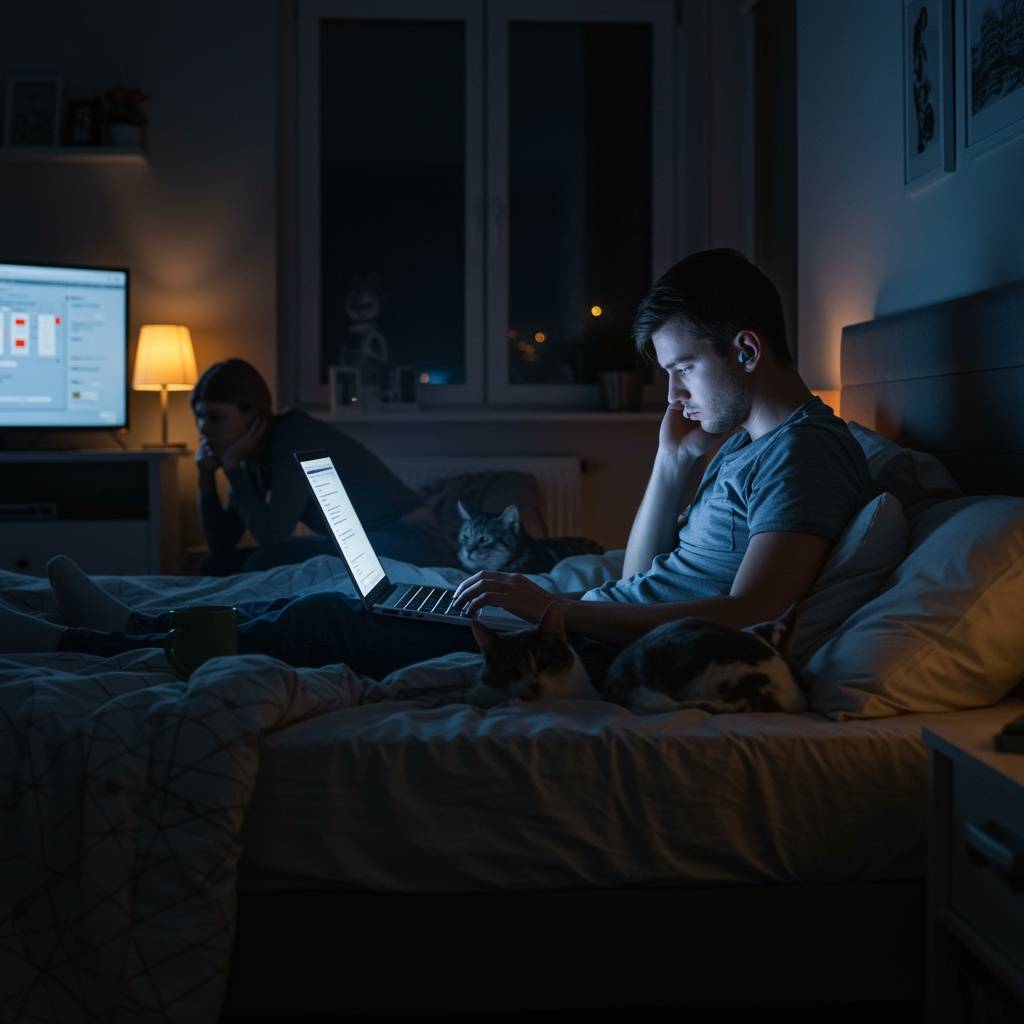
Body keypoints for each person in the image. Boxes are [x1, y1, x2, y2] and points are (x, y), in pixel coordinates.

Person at [4, 250, 870, 685]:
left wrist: (552, 610)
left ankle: (94, 647)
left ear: (745, 349)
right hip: (591, 621)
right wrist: (669, 468)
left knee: (335, 621)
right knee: (342, 593)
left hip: (583, 650)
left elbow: (750, 616)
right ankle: (133, 628)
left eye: (681, 368)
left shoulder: (807, 452)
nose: (673, 392)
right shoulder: (745, 449)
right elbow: (642, 577)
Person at [188, 358, 448, 572]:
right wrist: (206, 476)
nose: (203, 428)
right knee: (215, 564)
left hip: (410, 537)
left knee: (261, 562)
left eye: (216, 417)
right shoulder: (250, 455)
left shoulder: (293, 437)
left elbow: (271, 537)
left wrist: (232, 470)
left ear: (253, 416)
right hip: (365, 538)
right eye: (199, 417)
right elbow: (221, 545)